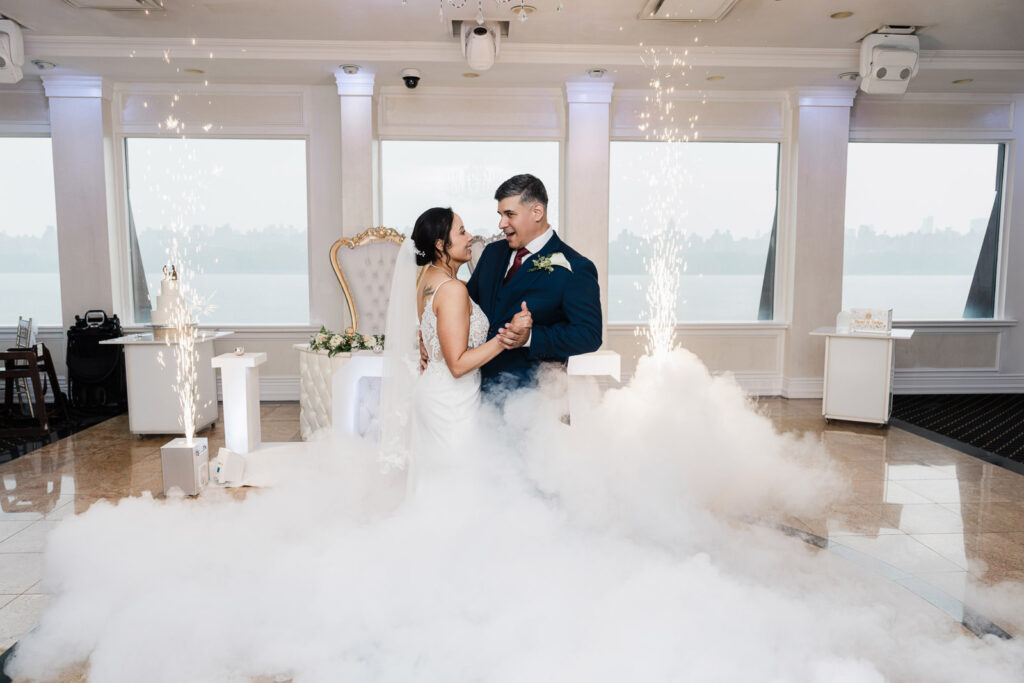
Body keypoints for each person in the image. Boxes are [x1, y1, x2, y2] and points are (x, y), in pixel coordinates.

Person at [379, 207, 531, 478]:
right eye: (461, 232)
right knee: (457, 483)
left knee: (441, 483)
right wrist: (507, 337)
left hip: (437, 392)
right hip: (451, 403)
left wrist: (426, 340)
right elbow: (458, 365)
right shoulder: (453, 290)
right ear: (440, 245)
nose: (470, 237)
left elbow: (436, 330)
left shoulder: (427, 279)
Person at [467, 174, 603, 393]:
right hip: (474, 391)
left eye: (510, 214)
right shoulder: (492, 253)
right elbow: (467, 306)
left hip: (535, 400)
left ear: (537, 212)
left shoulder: (576, 267)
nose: (502, 224)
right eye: (500, 215)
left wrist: (531, 337)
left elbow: (589, 335)